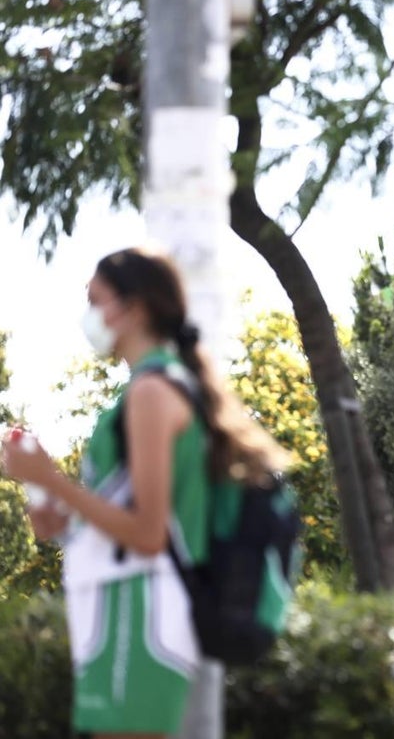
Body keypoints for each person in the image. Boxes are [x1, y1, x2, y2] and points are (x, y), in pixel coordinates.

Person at [1, 248, 291, 739]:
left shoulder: (153, 394)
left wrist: (50, 479)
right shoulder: (144, 391)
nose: (88, 315)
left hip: (145, 618)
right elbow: (120, 521)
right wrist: (50, 503)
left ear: (134, 309)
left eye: (96, 300)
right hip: (121, 612)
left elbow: (149, 534)